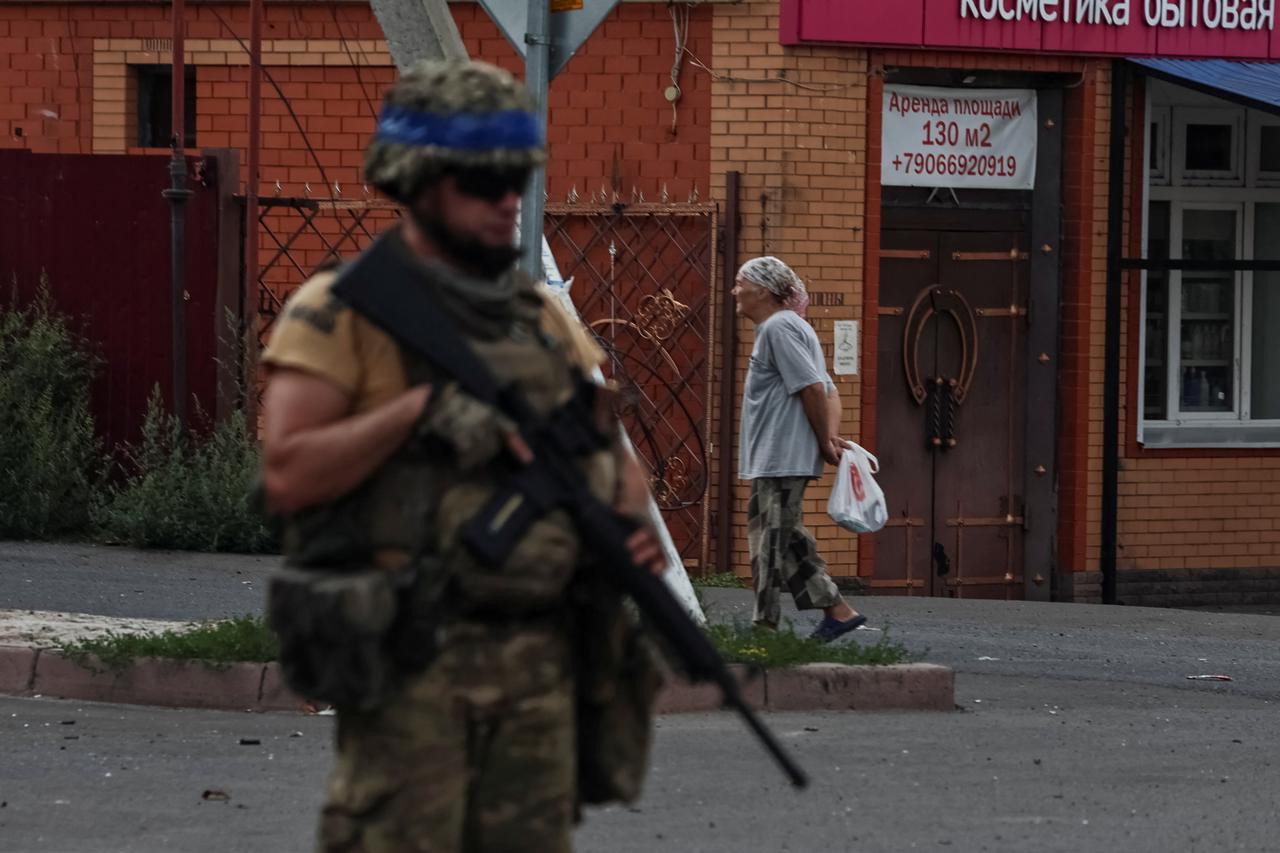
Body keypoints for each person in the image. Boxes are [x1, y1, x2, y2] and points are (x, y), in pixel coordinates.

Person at [259, 59, 664, 853]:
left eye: (516, 178)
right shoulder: (342, 311)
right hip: (416, 660)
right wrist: (419, 411)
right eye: (484, 182)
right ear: (418, 183)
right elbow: (289, 472)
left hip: (538, 663)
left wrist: (625, 523)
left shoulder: (536, 317)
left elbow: (608, 450)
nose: (509, 199)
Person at [733, 256, 866, 643]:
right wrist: (828, 436)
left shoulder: (779, 327)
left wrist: (825, 441)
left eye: (741, 283)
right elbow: (829, 390)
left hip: (781, 456)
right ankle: (838, 611)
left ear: (762, 290)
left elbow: (813, 388)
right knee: (787, 537)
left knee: (768, 543)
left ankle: (764, 629)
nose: (735, 291)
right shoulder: (788, 326)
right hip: (777, 457)